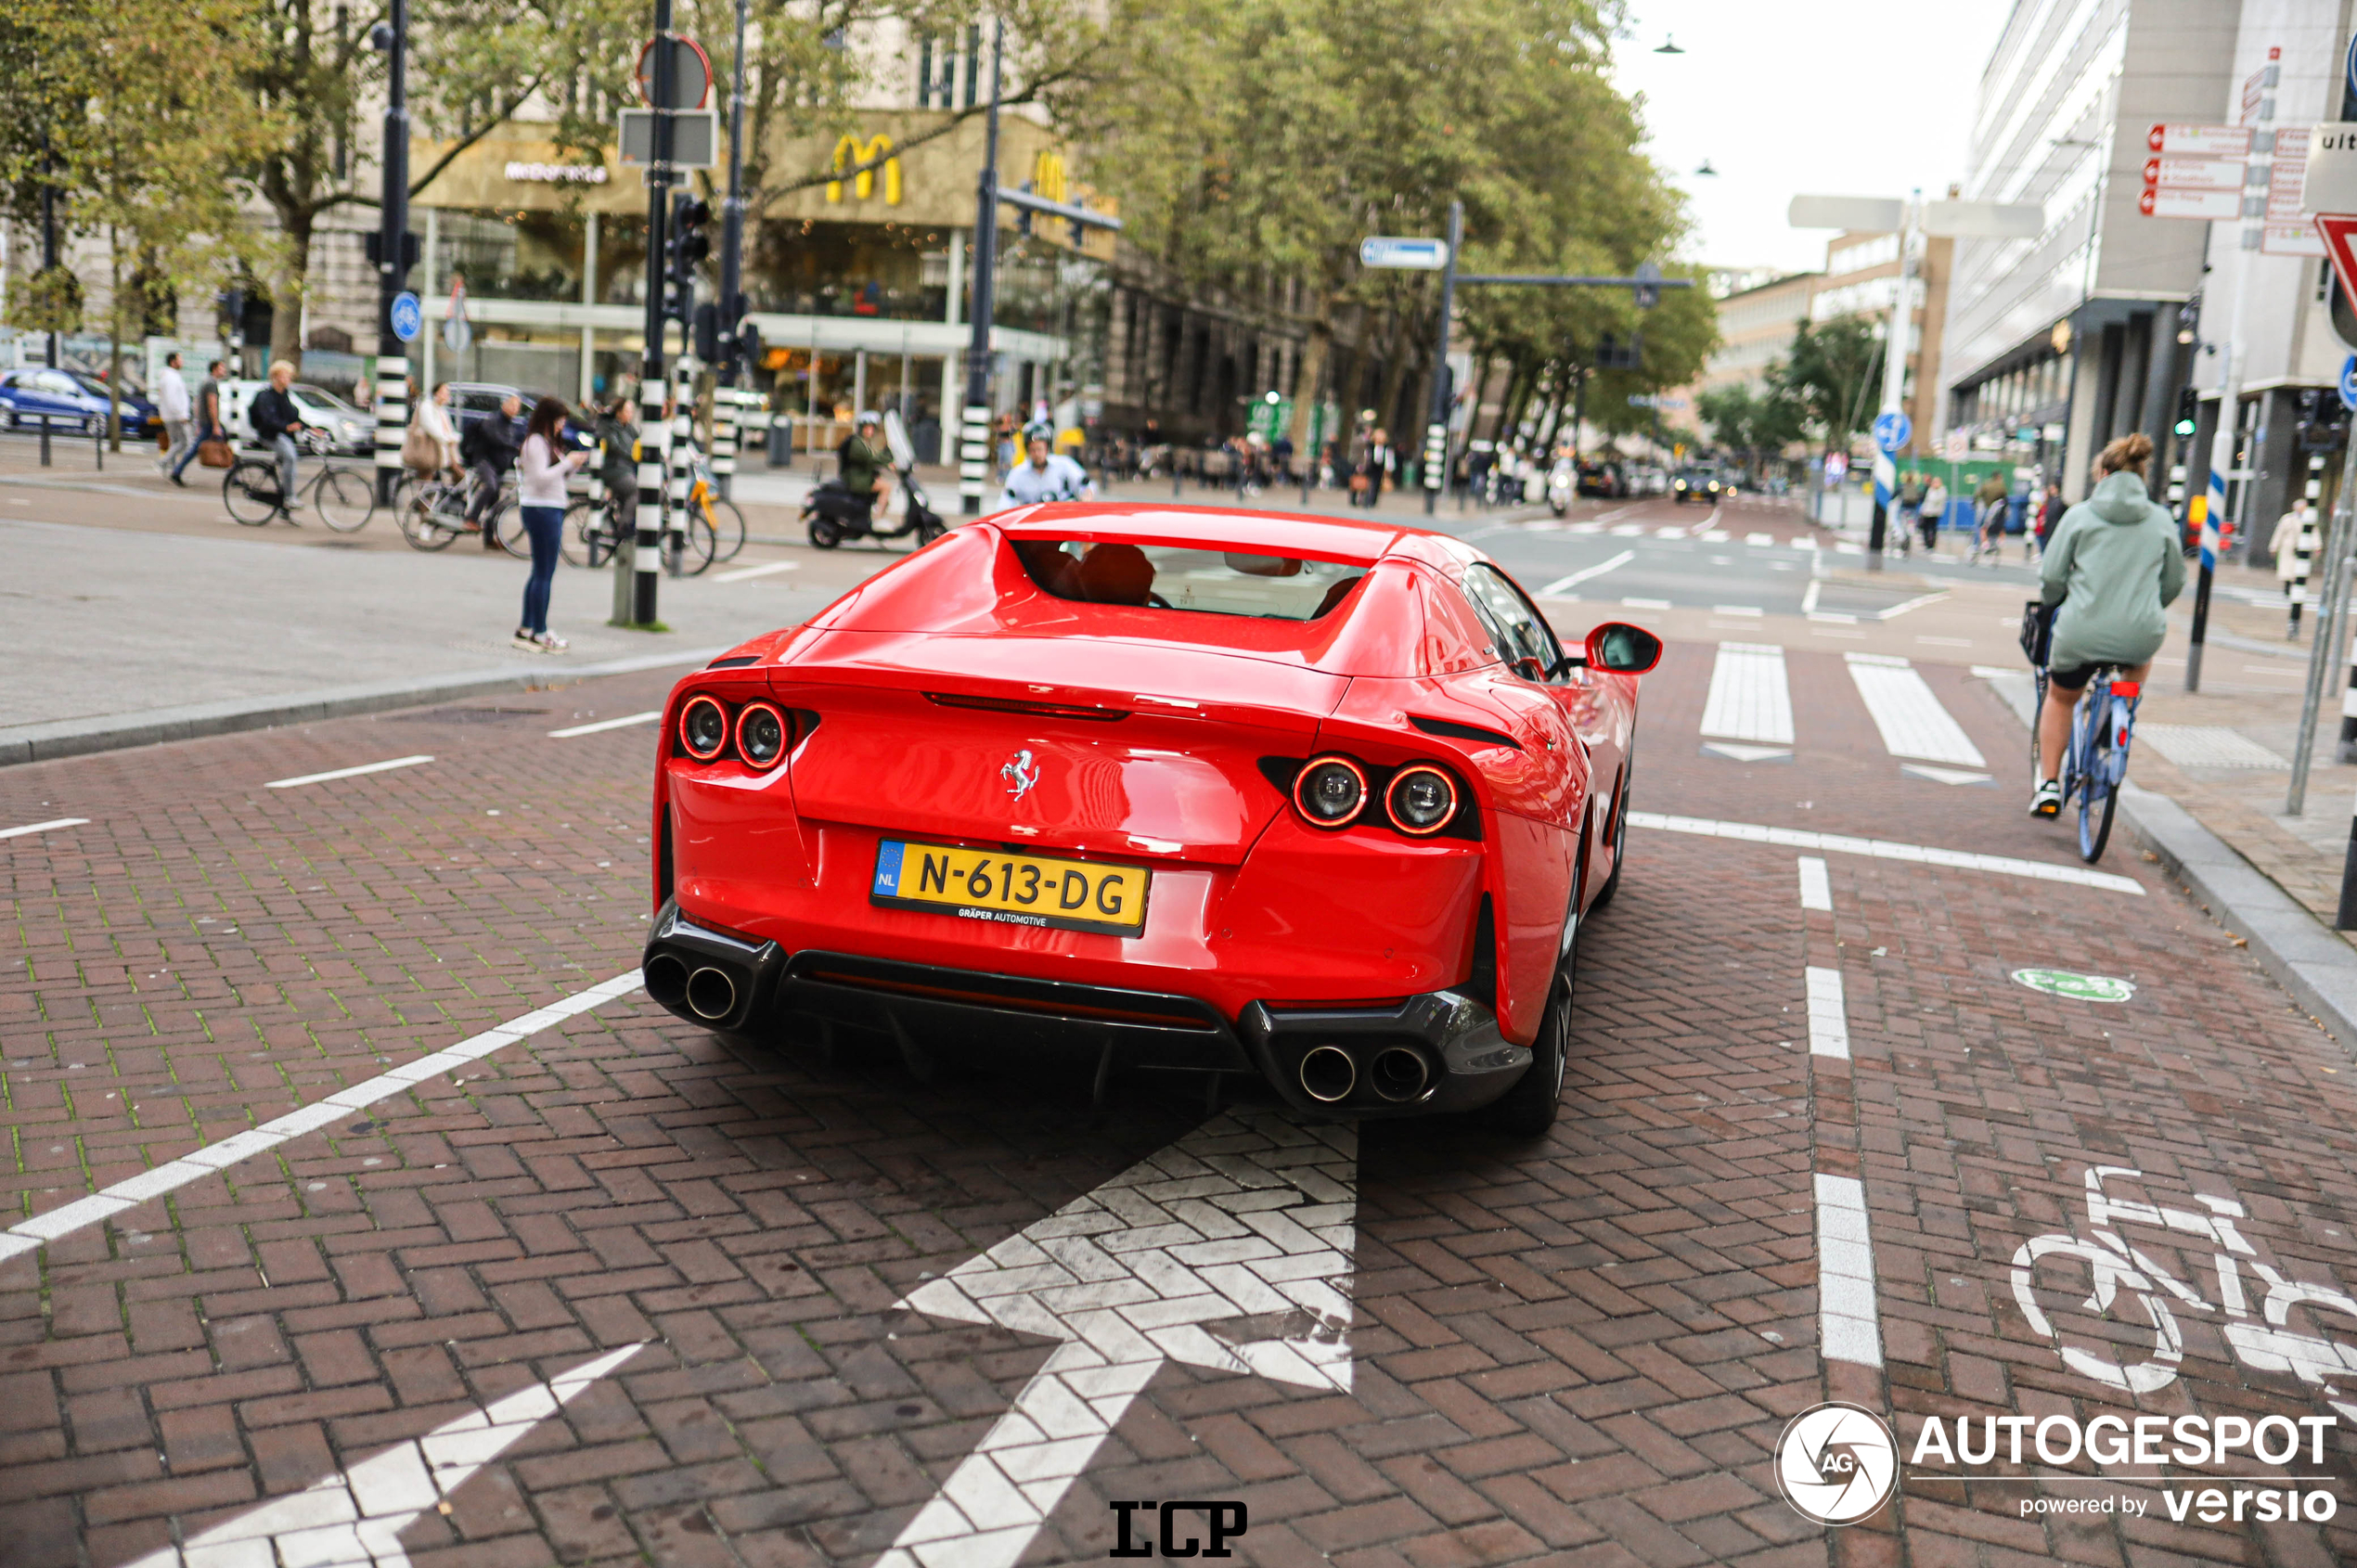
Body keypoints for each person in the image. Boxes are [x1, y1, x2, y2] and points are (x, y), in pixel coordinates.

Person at [2029, 433, 2185, 818]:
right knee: (2134, 668)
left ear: (2102, 472)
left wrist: (2056, 602)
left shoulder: (2079, 515)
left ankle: (2049, 785)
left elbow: (2050, 576)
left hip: (2081, 632)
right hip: (2139, 635)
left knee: (2062, 698)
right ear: (2141, 475)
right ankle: (2120, 712)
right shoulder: (2161, 520)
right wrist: (2149, 606)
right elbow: (2175, 581)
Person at [512, 394, 588, 653]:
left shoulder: (544, 442)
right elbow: (541, 478)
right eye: (559, 420)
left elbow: (555, 477)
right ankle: (540, 632)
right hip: (543, 509)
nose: (562, 426)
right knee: (545, 572)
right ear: (549, 418)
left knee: (539, 571)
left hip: (544, 507)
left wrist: (572, 465)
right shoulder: (535, 443)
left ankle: (526, 628)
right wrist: (567, 462)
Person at [460, 392, 523, 548]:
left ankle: (489, 539)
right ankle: (471, 519)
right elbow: (494, 438)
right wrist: (514, 447)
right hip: (484, 460)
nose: (515, 409)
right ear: (504, 405)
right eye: (512, 405)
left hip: (498, 466)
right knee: (490, 486)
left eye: (518, 407)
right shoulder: (493, 420)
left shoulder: (510, 424)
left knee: (494, 502)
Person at [249, 361, 311, 515]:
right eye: (286, 376)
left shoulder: (284, 395)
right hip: (269, 435)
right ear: (276, 377)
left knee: (289, 462)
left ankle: (284, 509)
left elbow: (292, 415)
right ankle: (289, 498)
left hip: (280, 434)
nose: (289, 379)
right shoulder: (266, 396)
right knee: (290, 457)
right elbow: (269, 420)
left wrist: (308, 428)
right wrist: (287, 427)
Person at [995, 422, 1095, 510]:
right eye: (1033, 450)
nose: (1037, 454)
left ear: (1047, 448)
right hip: (1032, 524)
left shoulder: (1064, 465)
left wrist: (1087, 494)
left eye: (1040, 449)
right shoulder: (1018, 473)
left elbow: (1085, 483)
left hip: (1062, 520)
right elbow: (1006, 500)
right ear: (1027, 450)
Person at [171, 361, 229, 486]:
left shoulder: (205, 381)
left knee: (199, 447)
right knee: (220, 447)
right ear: (214, 369)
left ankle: (177, 470)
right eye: (221, 368)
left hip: (205, 421)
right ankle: (177, 471)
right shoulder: (211, 384)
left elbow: (197, 403)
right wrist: (216, 425)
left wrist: (198, 423)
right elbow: (212, 405)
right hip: (210, 422)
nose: (224, 371)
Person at [2270, 494, 2317, 637]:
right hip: (2288, 548)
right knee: (2287, 571)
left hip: (2302, 548)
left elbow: (2314, 532)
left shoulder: (2309, 519)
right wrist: (2274, 546)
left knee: (2299, 571)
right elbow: (2279, 533)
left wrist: (2317, 545)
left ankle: (2296, 589)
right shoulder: (2288, 519)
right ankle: (2287, 588)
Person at [836, 411, 894, 521]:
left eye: (872, 428)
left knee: (883, 486)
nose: (870, 431)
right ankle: (878, 519)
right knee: (886, 487)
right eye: (867, 428)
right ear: (861, 428)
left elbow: (873, 459)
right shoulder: (856, 443)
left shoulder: (863, 442)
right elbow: (870, 460)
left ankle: (872, 515)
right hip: (857, 480)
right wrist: (888, 462)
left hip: (862, 477)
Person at [154, 352, 193, 479]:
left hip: (170, 415)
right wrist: (181, 414)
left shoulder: (169, 376)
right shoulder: (171, 378)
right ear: (173, 362)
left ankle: (173, 470)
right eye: (179, 359)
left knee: (175, 442)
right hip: (175, 416)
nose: (182, 361)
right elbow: (172, 398)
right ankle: (162, 463)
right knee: (184, 442)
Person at [414, 381, 461, 477]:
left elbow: (449, 430)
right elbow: (429, 426)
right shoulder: (427, 406)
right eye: (444, 392)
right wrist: (446, 439)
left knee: (457, 473)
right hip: (428, 449)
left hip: (441, 449)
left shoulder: (442, 410)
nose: (447, 395)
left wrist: (454, 437)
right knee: (427, 479)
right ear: (436, 393)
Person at [1917, 476, 1947, 552]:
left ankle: (1932, 545)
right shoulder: (1930, 489)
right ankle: (1927, 543)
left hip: (1935, 512)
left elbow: (1936, 500)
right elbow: (1925, 500)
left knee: (1933, 528)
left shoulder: (1942, 490)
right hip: (1927, 512)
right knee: (1925, 528)